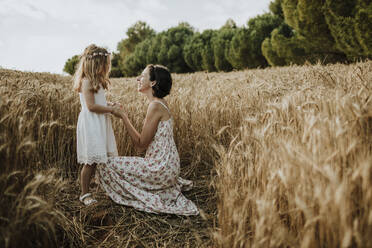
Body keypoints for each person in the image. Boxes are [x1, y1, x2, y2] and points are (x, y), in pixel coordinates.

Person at [98, 64, 199, 215]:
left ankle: (135, 194)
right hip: (168, 167)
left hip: (160, 168)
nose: (138, 78)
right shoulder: (160, 103)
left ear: (152, 83)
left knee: (103, 164)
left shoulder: (155, 106)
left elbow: (141, 145)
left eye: (142, 76)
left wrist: (123, 117)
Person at [73, 44, 118, 206]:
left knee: (101, 159)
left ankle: (105, 188)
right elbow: (91, 106)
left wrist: (110, 104)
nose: (107, 67)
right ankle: (84, 193)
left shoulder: (96, 81)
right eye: (105, 64)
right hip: (92, 125)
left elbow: (99, 102)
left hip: (99, 123)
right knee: (90, 162)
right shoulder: (86, 82)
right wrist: (111, 110)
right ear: (96, 64)